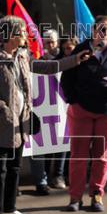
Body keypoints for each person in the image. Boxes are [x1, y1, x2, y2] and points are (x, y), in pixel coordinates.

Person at [0, 17, 83, 214]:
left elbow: (49, 67)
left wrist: (75, 59)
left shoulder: (24, 56)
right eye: (22, 31)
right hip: (2, 124)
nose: (26, 35)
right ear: (10, 35)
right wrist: (1, 107)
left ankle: (9, 208)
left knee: (14, 167)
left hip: (21, 123)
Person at [60, 15, 107, 212]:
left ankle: (97, 195)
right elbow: (66, 78)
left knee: (102, 156)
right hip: (82, 110)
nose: (106, 33)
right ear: (93, 30)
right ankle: (75, 198)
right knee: (78, 156)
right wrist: (73, 101)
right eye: (102, 29)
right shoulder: (81, 49)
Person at [29, 29, 65, 195]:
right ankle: (42, 179)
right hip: (41, 109)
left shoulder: (63, 60)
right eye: (47, 42)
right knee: (42, 144)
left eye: (53, 42)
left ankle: (58, 175)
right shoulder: (37, 61)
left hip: (60, 109)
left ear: (57, 43)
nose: (50, 45)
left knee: (62, 142)